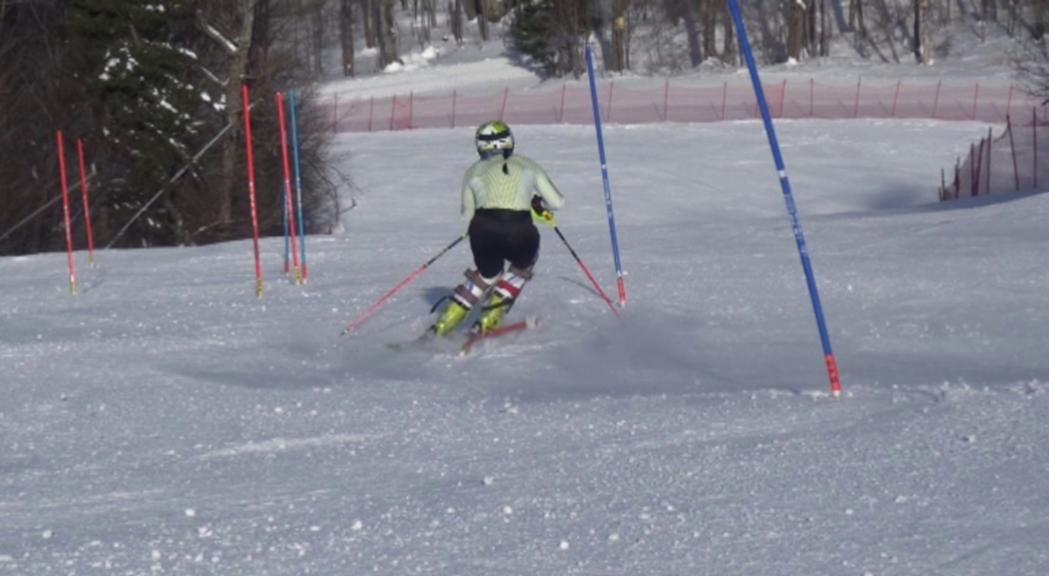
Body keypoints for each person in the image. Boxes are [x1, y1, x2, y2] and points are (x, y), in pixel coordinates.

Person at [429, 120, 565, 336]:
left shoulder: (473, 171)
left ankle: (443, 324)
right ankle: (488, 319)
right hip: (520, 231)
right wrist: (538, 205)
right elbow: (557, 202)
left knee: (487, 274)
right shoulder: (527, 164)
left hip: (482, 231)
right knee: (522, 266)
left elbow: (467, 214)